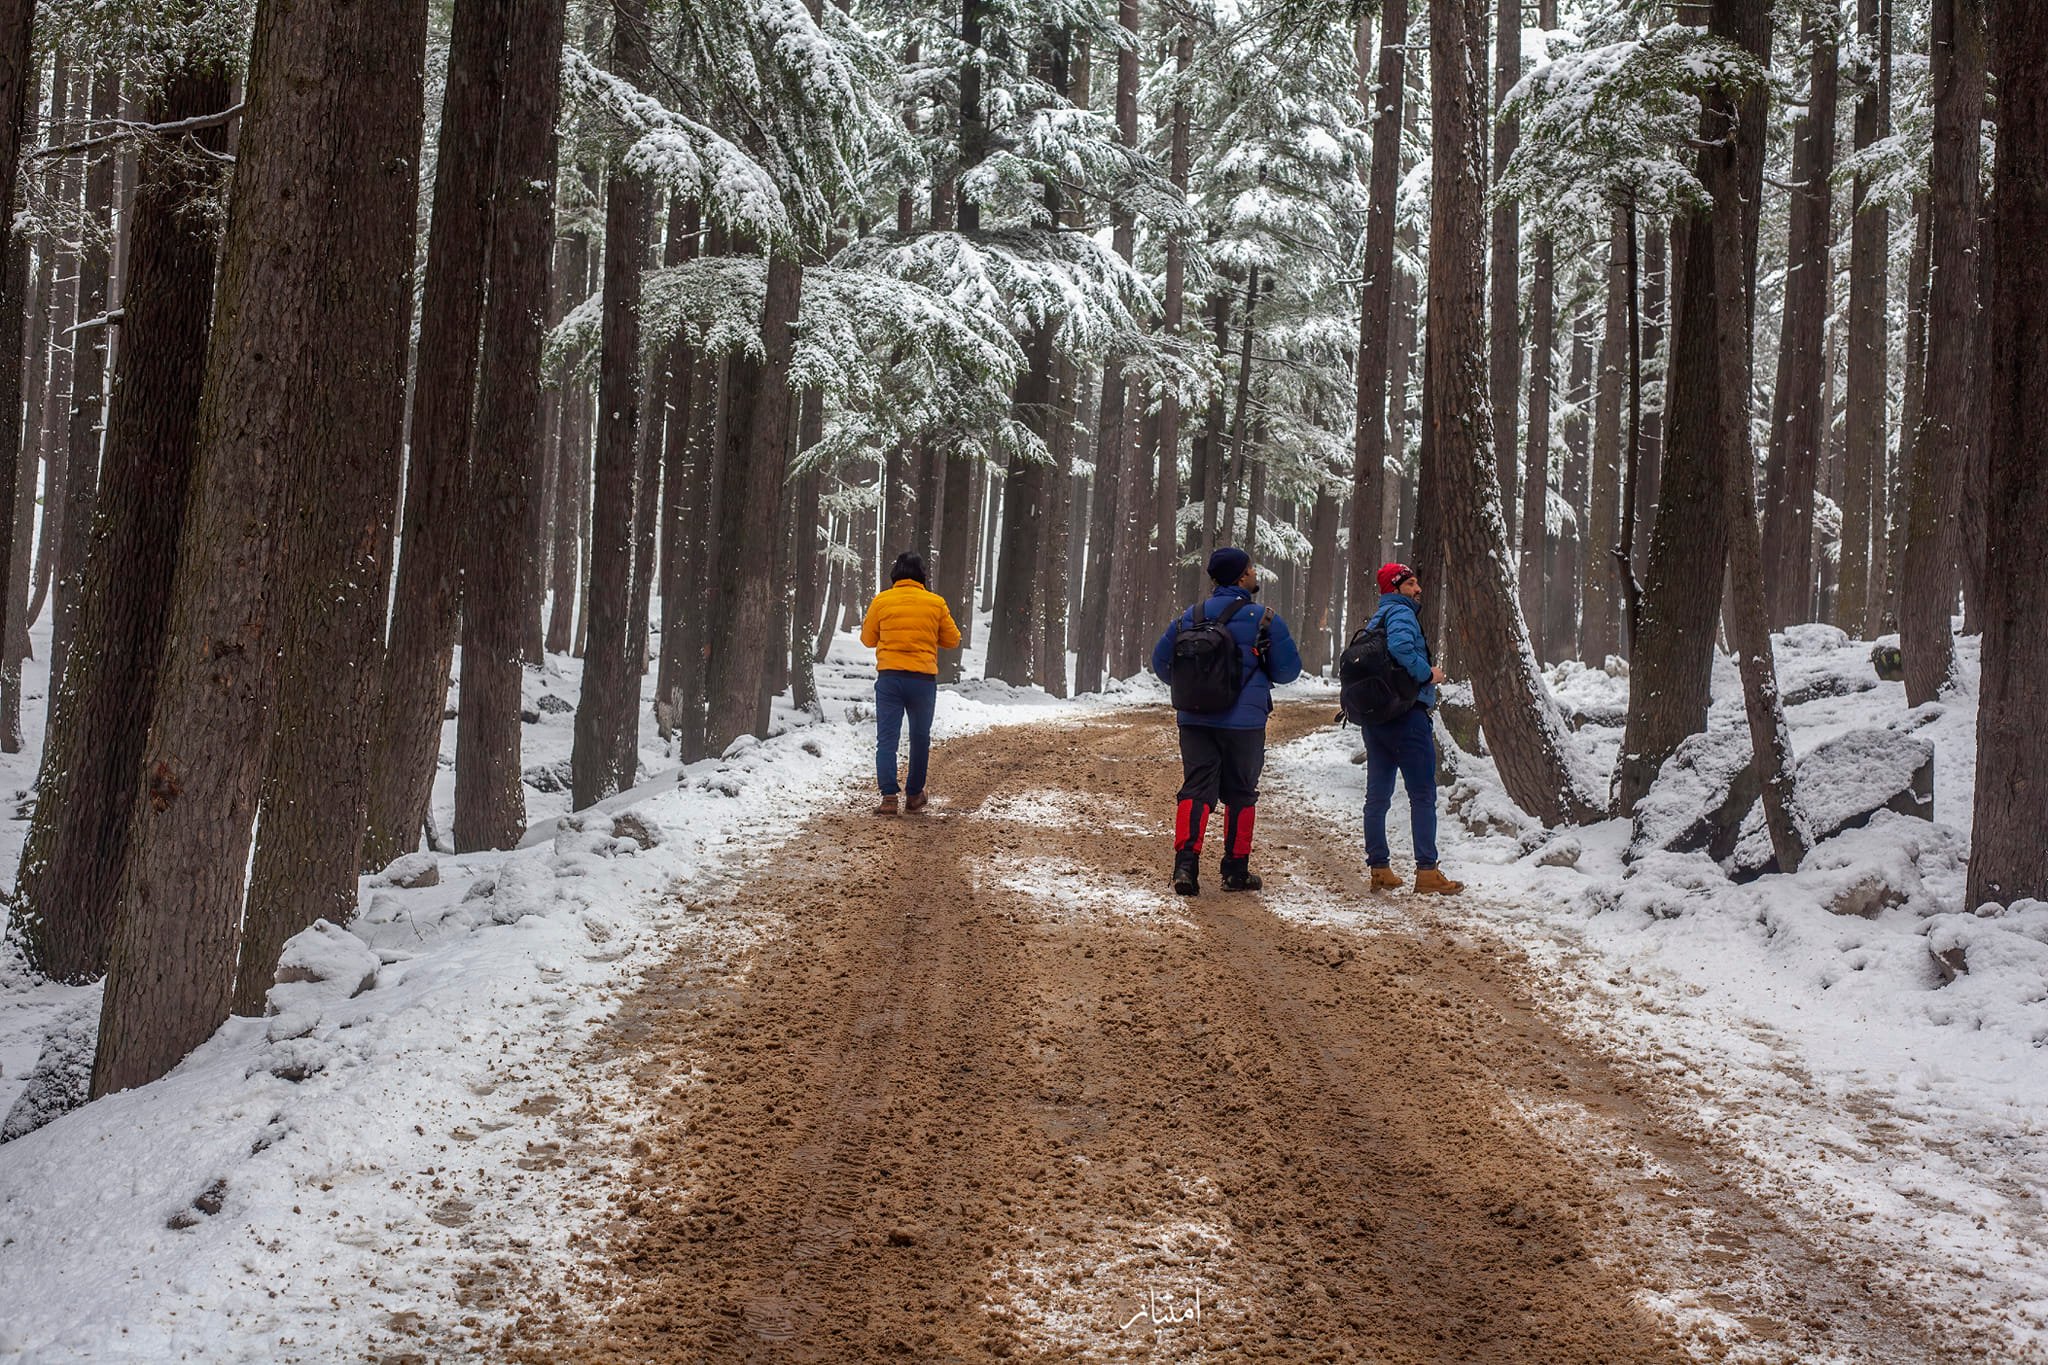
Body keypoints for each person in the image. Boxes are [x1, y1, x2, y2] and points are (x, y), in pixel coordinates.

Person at [1151, 546, 1302, 896]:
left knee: (1195, 789)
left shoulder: (1189, 617)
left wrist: (1198, 686)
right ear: (1240, 576)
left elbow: (1161, 665)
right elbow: (1288, 671)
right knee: (1241, 793)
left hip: (1195, 719)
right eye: (1251, 569)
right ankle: (1235, 871)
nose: (1255, 574)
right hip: (1244, 723)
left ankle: (1185, 867)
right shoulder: (1264, 619)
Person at [1360, 562, 1462, 893]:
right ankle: (1428, 872)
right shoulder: (1401, 614)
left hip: (1378, 719)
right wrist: (1427, 674)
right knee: (1422, 794)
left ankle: (1379, 867)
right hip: (1407, 716)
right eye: (1411, 584)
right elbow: (1402, 648)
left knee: (1377, 796)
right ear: (1395, 588)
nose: (1418, 590)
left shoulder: (1377, 618)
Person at [860, 552, 961, 815]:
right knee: (919, 738)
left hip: (890, 679)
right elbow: (953, 640)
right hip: (922, 680)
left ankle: (889, 798)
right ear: (922, 576)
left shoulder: (882, 600)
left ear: (895, 575)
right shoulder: (935, 603)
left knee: (887, 739)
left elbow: (868, 639)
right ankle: (914, 795)